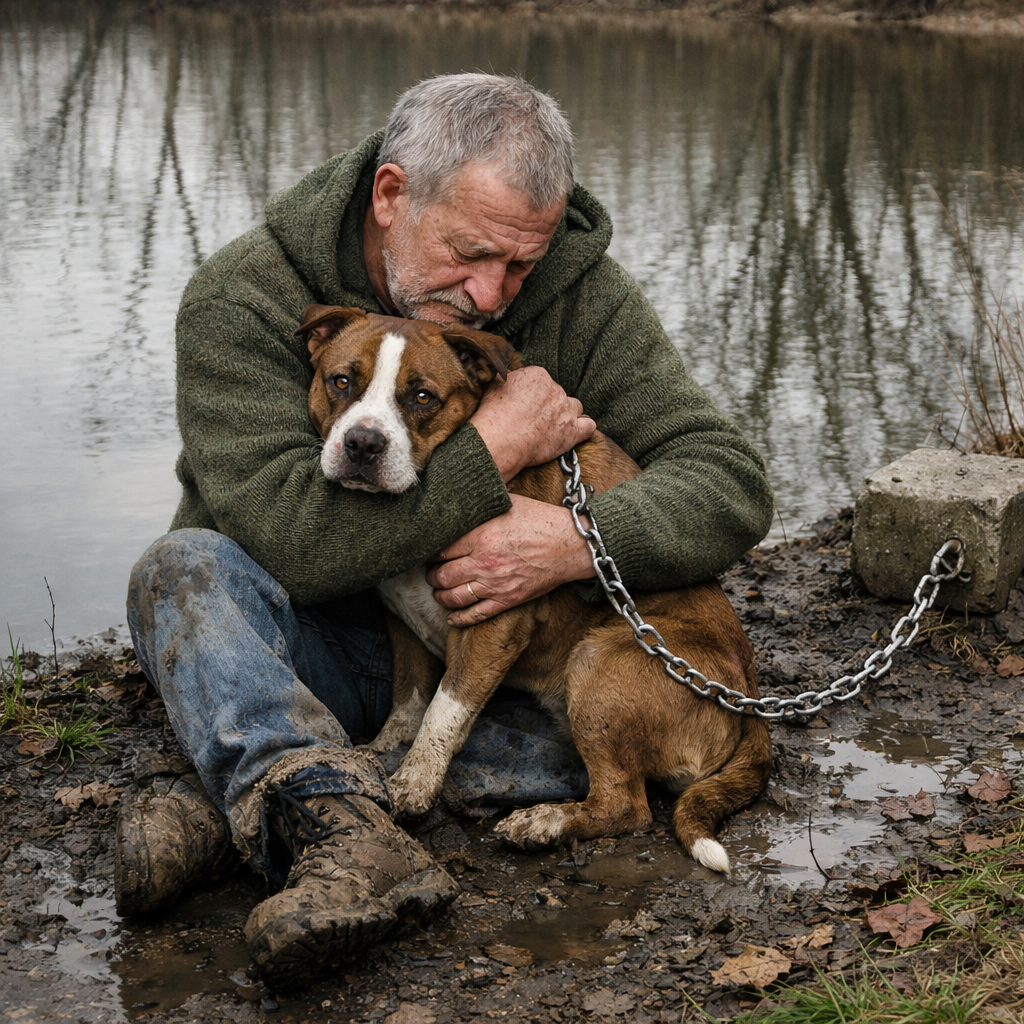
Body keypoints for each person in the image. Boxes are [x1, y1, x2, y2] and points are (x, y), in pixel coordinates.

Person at [121, 73, 774, 988]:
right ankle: (331, 812)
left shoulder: (574, 290)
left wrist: (574, 539)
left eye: (520, 266)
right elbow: (287, 537)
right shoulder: (246, 297)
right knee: (179, 574)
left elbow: (732, 481)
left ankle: (265, 810)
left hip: (505, 670)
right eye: (471, 254)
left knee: (585, 720)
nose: (492, 294)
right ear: (391, 196)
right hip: (310, 641)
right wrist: (492, 450)